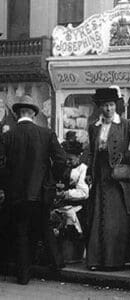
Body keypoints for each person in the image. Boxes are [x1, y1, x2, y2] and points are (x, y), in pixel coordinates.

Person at [0, 95, 67, 285]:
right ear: (33, 114)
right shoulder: (46, 134)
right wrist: (52, 179)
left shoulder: (7, 136)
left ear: (19, 113)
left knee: (21, 232)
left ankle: (23, 275)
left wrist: (7, 183)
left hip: (16, 194)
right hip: (41, 191)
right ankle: (57, 267)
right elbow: (61, 160)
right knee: (44, 227)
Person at [86, 87, 130, 271]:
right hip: (100, 176)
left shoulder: (126, 124)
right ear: (100, 107)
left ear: (116, 106)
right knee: (98, 217)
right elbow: (91, 152)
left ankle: (116, 261)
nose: (109, 109)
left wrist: (126, 156)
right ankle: (97, 260)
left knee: (115, 220)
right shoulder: (94, 127)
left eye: (111, 105)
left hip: (119, 179)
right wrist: (89, 172)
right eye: (105, 106)